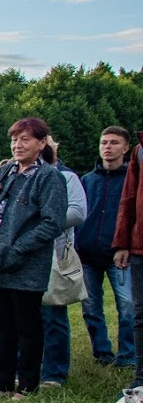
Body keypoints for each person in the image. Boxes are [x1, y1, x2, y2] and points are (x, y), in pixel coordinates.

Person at [0, 118, 67, 398]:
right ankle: (1, 383)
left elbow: (52, 222)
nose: (18, 145)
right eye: (15, 139)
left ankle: (27, 386)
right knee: (2, 325)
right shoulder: (6, 172)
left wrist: (19, 249)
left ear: (41, 144)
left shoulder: (49, 177)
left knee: (27, 326)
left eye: (25, 139)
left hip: (26, 263)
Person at [79, 126, 134, 369]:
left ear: (125, 148)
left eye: (113, 143)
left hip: (119, 254)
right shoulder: (87, 180)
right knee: (90, 307)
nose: (107, 147)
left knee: (128, 306)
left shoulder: (133, 180)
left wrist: (128, 245)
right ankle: (102, 353)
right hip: (87, 254)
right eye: (104, 143)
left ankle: (128, 356)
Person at [39, 138, 87, 387]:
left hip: (53, 254)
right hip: (22, 256)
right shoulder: (16, 176)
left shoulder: (67, 178)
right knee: (20, 316)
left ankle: (54, 373)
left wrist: (41, 223)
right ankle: (22, 368)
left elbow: (78, 212)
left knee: (52, 312)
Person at [112, 130, 143, 392]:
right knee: (140, 314)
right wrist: (122, 243)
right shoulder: (140, 150)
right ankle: (141, 380)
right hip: (140, 245)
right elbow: (129, 199)